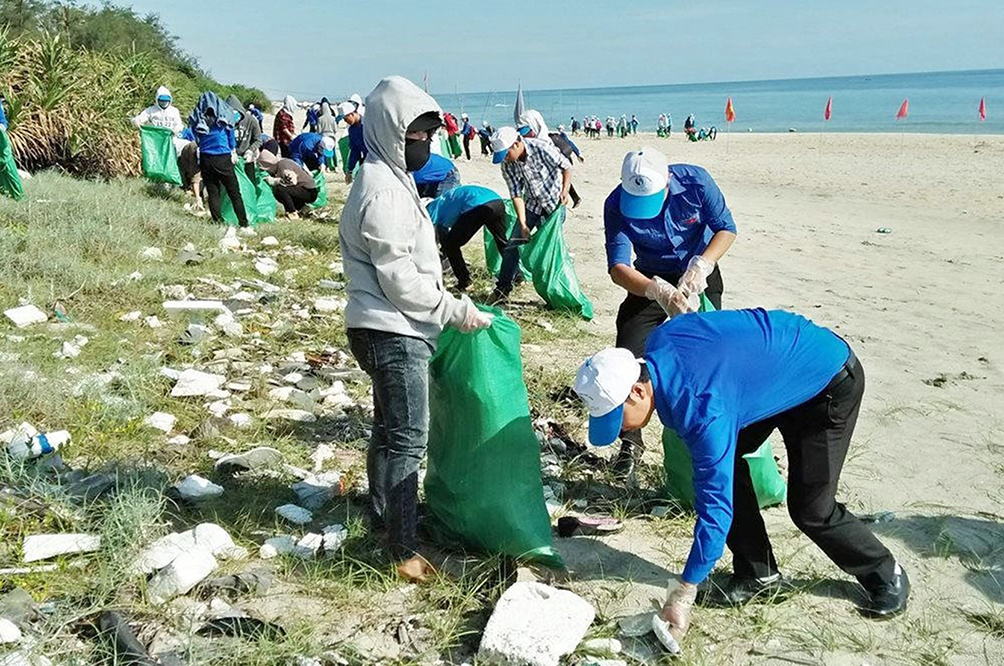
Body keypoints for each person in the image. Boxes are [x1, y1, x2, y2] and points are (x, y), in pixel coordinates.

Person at [573, 310, 910, 648]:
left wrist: (685, 590)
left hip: (827, 380)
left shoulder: (704, 409)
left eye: (617, 418)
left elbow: (715, 511)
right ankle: (758, 574)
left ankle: (884, 572)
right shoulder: (660, 342)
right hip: (778, 377)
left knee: (811, 509)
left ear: (636, 392)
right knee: (722, 466)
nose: (620, 429)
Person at [339, 76, 493, 582]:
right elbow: (400, 280)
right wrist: (453, 310)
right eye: (416, 136)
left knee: (387, 432)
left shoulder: (390, 178)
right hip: (391, 331)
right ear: (389, 132)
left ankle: (385, 515)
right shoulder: (381, 191)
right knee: (407, 439)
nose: (425, 144)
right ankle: (402, 550)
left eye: (430, 135)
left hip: (386, 327)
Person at [604, 147, 737, 477]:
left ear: (668, 183)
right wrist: (657, 290)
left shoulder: (696, 182)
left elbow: (726, 228)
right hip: (648, 278)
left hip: (698, 274)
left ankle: (706, 440)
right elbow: (618, 267)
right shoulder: (615, 205)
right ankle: (630, 442)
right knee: (627, 351)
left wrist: (701, 265)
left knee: (705, 358)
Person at [488, 126, 572, 302]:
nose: (505, 159)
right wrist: (524, 224)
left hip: (553, 206)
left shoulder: (542, 148)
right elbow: (516, 194)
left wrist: (565, 190)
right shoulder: (507, 165)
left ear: (517, 144)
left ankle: (554, 291)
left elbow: (566, 166)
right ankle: (503, 289)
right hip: (531, 206)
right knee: (513, 245)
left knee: (549, 249)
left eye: (506, 154)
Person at [426, 185, 508, 291]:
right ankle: (516, 275)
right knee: (502, 242)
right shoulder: (442, 201)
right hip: (497, 201)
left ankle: (465, 282)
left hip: (477, 205)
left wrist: (442, 250)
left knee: (451, 245)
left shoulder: (430, 211)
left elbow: (432, 237)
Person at [188, 92, 249, 229]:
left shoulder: (199, 117)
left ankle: (217, 222)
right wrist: (232, 150)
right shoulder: (224, 117)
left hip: (205, 158)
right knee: (234, 192)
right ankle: (244, 224)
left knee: (213, 191)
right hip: (222, 157)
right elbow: (231, 138)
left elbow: (196, 137)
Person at [519, 110, 583, 207]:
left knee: (563, 180)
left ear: (536, 127)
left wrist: (578, 154)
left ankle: (575, 198)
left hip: (552, 198)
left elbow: (566, 166)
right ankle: (575, 198)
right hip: (535, 201)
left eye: (527, 133)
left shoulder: (546, 144)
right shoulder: (526, 145)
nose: (524, 137)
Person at [257, 149, 318, 217]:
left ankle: (291, 212)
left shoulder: (284, 166)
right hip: (306, 190)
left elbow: (292, 181)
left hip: (309, 191)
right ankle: (303, 208)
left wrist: (276, 181)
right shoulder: (282, 163)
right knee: (284, 190)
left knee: (279, 190)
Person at [226, 95, 262, 181]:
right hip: (230, 157)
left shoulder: (252, 121)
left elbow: (258, 140)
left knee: (249, 179)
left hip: (246, 156)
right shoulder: (224, 122)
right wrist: (230, 151)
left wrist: (250, 150)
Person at [339, 100, 366, 183]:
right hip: (366, 161)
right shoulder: (352, 130)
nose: (345, 121)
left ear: (352, 114)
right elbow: (354, 151)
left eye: (345, 118)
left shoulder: (368, 124)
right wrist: (349, 170)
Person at [317, 98, 340, 170]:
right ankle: (336, 166)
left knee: (324, 152)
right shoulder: (333, 118)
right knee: (333, 152)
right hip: (331, 136)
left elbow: (318, 130)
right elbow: (336, 129)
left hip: (324, 136)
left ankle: (326, 167)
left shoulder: (320, 119)